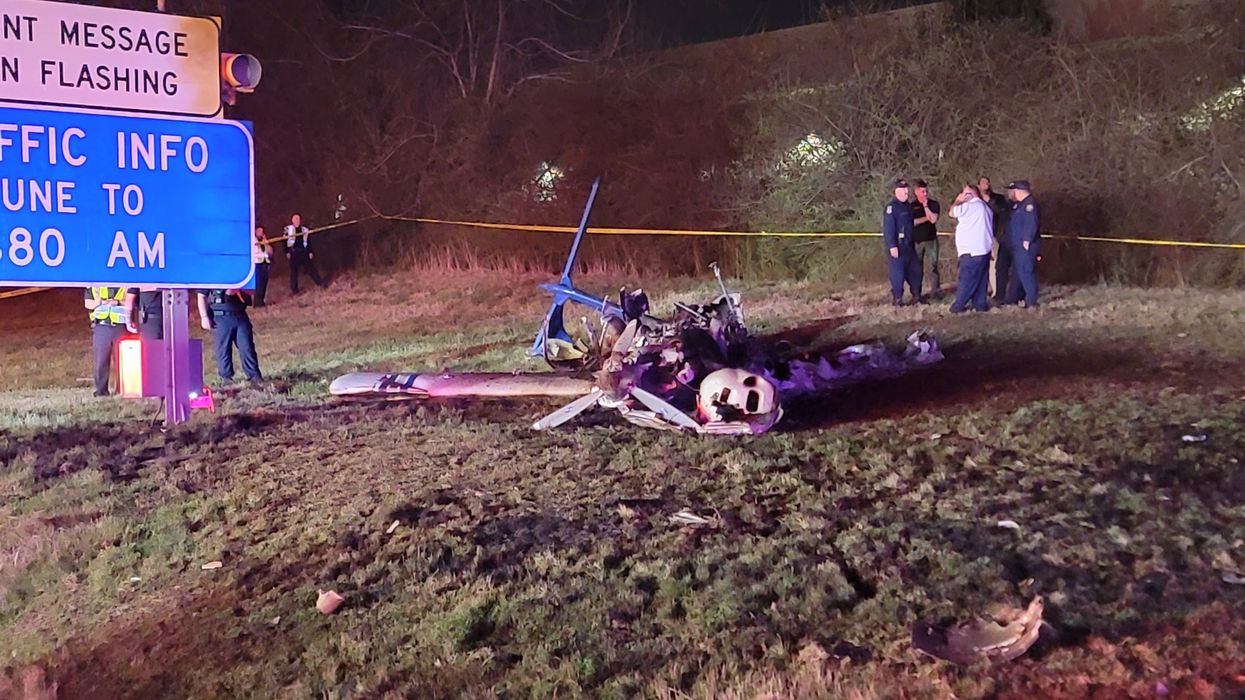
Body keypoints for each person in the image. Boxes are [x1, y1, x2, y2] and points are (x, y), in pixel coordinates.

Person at [196, 288, 263, 385]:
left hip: (240, 315)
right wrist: (204, 317)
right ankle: (226, 378)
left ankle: (254, 376)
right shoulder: (211, 274)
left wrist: (238, 291)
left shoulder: (239, 274)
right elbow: (201, 295)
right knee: (223, 349)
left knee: (247, 347)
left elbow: (251, 289)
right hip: (220, 316)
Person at [947, 184, 994, 313]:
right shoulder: (986, 208)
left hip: (971, 250)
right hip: (984, 250)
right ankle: (979, 305)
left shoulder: (970, 206)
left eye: (966, 193)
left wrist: (958, 201)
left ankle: (958, 306)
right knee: (981, 280)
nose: (964, 196)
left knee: (967, 279)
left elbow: (952, 212)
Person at [882, 178, 922, 306]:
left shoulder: (908, 207)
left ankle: (916, 296)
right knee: (897, 275)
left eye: (907, 189)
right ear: (896, 191)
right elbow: (888, 229)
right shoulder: (891, 208)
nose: (906, 192)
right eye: (903, 189)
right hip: (898, 246)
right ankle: (897, 299)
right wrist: (892, 246)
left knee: (915, 272)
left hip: (909, 246)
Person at [84, 287, 129, 396]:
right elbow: (87, 303)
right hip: (101, 326)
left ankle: (124, 390)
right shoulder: (94, 286)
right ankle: (101, 390)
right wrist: (100, 302)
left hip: (121, 326)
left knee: (123, 361)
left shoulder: (125, 284)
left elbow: (132, 301)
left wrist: (117, 302)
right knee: (100, 361)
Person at [1004, 180, 1041, 308]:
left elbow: (1032, 223)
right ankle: (1013, 298)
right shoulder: (1019, 205)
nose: (1011, 193)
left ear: (1019, 191)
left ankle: (1031, 300)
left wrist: (1027, 239)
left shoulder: (1030, 204)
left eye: (1013, 190)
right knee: (1018, 273)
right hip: (1017, 245)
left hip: (1025, 245)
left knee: (1026, 272)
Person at [979, 176, 1012, 302]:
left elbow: (1002, 213)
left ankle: (996, 291)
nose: (985, 184)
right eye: (983, 183)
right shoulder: (975, 200)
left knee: (995, 263)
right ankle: (984, 289)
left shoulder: (998, 199)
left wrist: (989, 201)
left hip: (993, 235)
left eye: (987, 182)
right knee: (980, 263)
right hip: (978, 237)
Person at [910, 179, 942, 300]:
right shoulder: (912, 206)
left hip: (931, 240)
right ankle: (917, 293)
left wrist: (925, 206)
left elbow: (933, 219)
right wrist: (926, 218)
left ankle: (936, 292)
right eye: (922, 191)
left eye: (926, 191)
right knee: (917, 268)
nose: (925, 194)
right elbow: (912, 222)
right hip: (917, 241)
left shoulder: (933, 204)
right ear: (916, 192)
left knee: (933, 266)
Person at [283, 213, 325, 295]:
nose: (297, 221)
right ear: (292, 221)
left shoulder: (305, 229)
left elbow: (308, 242)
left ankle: (320, 283)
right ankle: (294, 290)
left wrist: (310, 251)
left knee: (311, 268)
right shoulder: (288, 229)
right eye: (295, 219)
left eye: (298, 219)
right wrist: (287, 251)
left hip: (303, 251)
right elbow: (284, 241)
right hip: (293, 252)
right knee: (294, 272)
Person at [253, 226, 273, 307]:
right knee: (259, 284)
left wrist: (267, 243)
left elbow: (270, 251)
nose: (261, 233)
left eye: (262, 231)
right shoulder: (253, 241)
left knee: (264, 282)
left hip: (265, 263)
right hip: (257, 263)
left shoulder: (265, 241)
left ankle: (262, 301)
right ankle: (257, 302)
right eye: (259, 231)